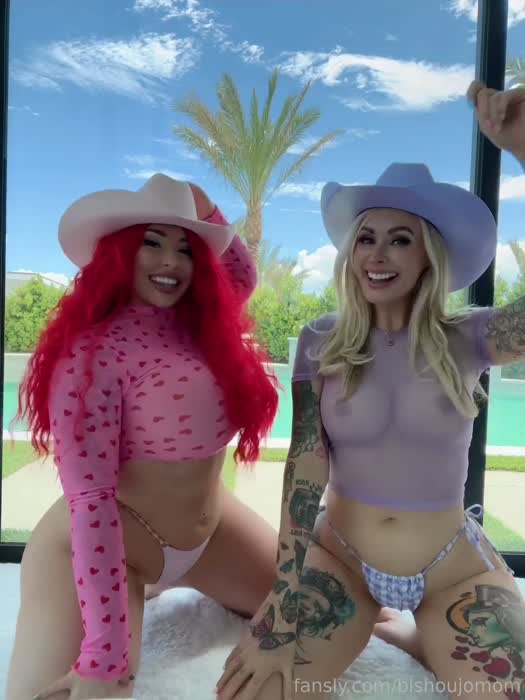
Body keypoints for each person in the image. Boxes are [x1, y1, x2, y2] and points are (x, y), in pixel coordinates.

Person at [215, 80, 525, 700]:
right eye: (366, 237)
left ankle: (424, 634)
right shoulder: (320, 341)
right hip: (342, 560)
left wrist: (523, 151)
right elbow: (305, 464)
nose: (377, 255)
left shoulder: (469, 337)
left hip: (450, 569)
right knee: (256, 692)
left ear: (429, 255)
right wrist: (285, 591)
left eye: (400, 239)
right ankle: (395, 628)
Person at [5, 174, 281, 700]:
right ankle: (141, 591)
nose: (171, 262)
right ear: (119, 253)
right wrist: (104, 655)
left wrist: (203, 205)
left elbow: (240, 273)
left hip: (211, 535)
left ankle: (161, 585)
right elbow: (91, 503)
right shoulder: (90, 355)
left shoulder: (201, 321)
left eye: (186, 248)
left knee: (315, 608)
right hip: (105, 546)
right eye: (151, 243)